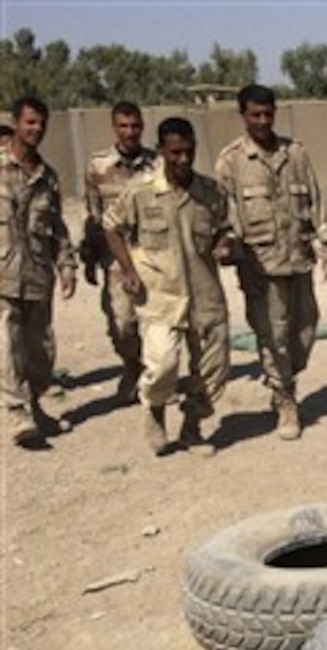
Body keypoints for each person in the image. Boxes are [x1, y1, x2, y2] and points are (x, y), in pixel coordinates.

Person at [214, 84, 327, 441]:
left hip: (298, 260)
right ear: (243, 116)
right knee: (274, 335)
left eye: (268, 114)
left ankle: (284, 377)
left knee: (305, 331)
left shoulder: (295, 153)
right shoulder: (232, 161)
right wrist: (231, 249)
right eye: (255, 115)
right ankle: (285, 401)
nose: (263, 121)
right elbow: (225, 215)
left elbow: (315, 201)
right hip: (260, 267)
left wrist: (325, 243)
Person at [102, 117, 231, 457]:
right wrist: (128, 268)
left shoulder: (211, 192)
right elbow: (112, 228)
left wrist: (225, 244)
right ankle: (155, 410)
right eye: (175, 153)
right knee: (162, 364)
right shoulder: (140, 191)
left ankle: (192, 428)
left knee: (213, 371)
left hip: (205, 297)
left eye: (189, 152)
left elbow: (224, 229)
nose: (183, 160)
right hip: (160, 294)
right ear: (161, 151)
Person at [0, 97, 78, 446]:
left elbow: (57, 227)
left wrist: (66, 266)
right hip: (2, 275)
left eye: (41, 123)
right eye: (30, 122)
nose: (36, 129)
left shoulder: (47, 177)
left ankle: (34, 406)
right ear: (15, 123)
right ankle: (17, 415)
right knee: (7, 345)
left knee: (41, 349)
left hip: (37, 276)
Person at [80, 101, 158, 403]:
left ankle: (153, 376)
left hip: (151, 254)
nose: (130, 132)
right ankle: (132, 366)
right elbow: (93, 214)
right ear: (114, 128)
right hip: (114, 258)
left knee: (153, 319)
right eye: (123, 126)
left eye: (135, 126)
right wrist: (89, 257)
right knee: (122, 323)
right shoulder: (99, 166)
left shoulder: (157, 164)